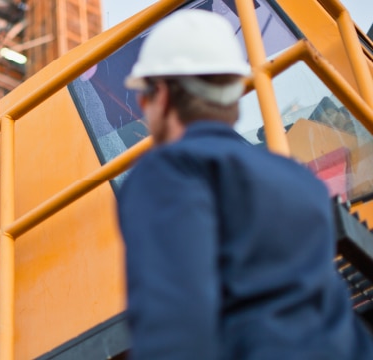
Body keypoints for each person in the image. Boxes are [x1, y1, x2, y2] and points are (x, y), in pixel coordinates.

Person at [116, 9, 373, 359]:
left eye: (143, 99)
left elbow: (175, 326)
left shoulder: (169, 173)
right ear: (235, 97)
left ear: (160, 95)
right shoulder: (301, 183)